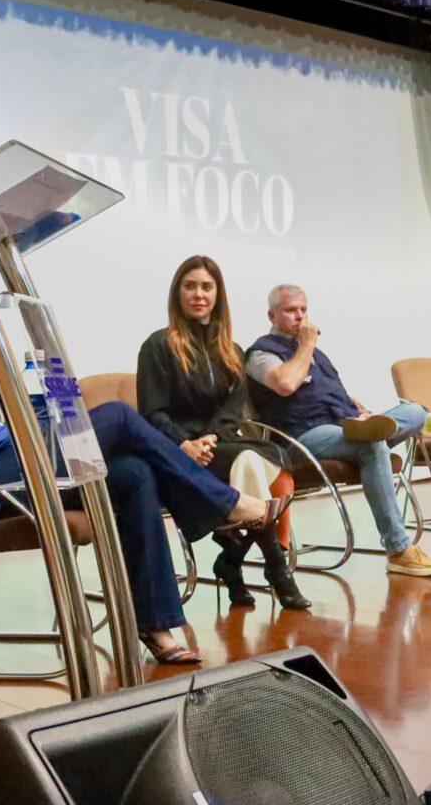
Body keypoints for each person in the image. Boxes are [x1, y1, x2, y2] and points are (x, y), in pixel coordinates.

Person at [0, 299, 282, 664]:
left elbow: (19, 409)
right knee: (117, 415)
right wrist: (39, 431)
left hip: (8, 464)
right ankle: (224, 506)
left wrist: (53, 409)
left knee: (134, 472)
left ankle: (155, 623)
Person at [137, 257, 311, 610]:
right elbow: (152, 412)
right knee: (250, 462)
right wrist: (186, 444)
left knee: (267, 457)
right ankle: (276, 567)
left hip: (220, 445)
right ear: (177, 293)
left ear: (218, 295)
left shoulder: (232, 351)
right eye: (190, 286)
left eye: (206, 287)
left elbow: (233, 410)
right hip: (178, 452)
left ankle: (232, 559)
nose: (198, 294)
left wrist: (210, 439)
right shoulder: (157, 346)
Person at [246, 284, 431, 576]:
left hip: (342, 428)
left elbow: (339, 396)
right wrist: (306, 346)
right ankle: (399, 550)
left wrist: (361, 412)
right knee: (372, 445)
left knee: (415, 412)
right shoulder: (261, 352)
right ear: (272, 315)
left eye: (304, 309)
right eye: (291, 311)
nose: (300, 317)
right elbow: (285, 384)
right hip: (301, 438)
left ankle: (369, 429)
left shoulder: (320, 356)